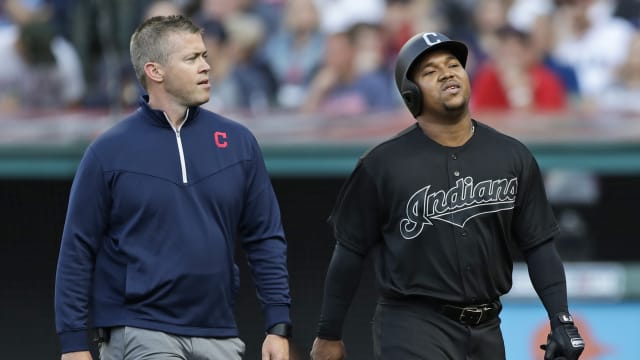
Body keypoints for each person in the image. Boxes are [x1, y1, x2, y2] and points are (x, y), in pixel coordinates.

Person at [309, 32, 585, 360]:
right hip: (413, 324)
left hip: (488, 327)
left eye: (453, 64)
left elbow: (539, 245)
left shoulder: (512, 155)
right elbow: (349, 252)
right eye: (430, 71)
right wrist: (329, 333)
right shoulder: (381, 164)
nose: (447, 73)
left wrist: (561, 318)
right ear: (411, 94)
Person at [54, 15, 291, 360]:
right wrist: (73, 344)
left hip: (220, 332)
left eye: (204, 56)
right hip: (139, 329)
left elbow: (265, 237)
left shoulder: (239, 143)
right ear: (155, 71)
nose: (206, 66)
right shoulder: (108, 151)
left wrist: (278, 325)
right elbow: (77, 248)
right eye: (192, 58)